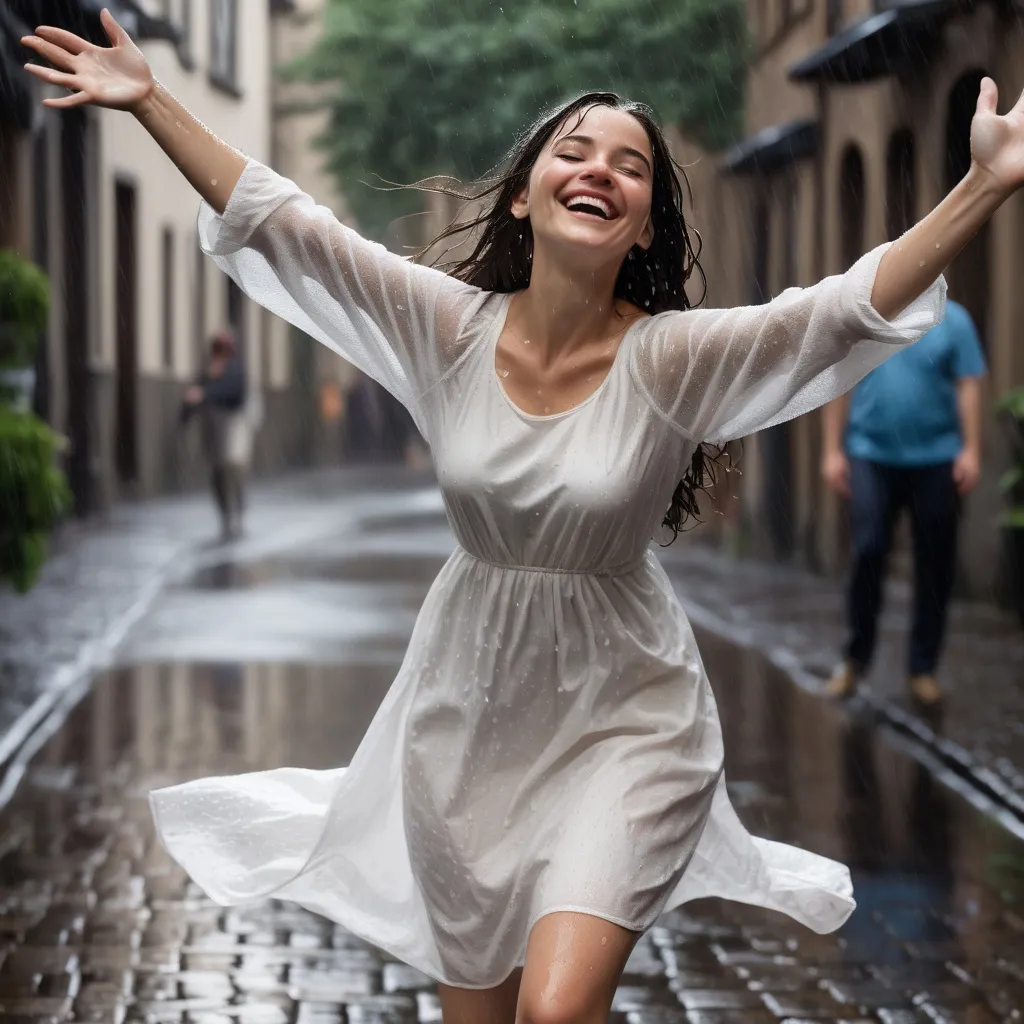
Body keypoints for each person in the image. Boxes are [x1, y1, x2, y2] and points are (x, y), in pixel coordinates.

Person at [22, 12, 1022, 1022]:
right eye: (574, 150)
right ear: (524, 192)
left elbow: (841, 310)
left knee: (555, 1008)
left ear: (641, 224)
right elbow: (292, 228)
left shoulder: (675, 357)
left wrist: (981, 185)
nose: (600, 169)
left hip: (629, 714)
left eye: (630, 166)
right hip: (467, 717)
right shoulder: (446, 328)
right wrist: (150, 99)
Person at [822, 301, 987, 705]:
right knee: (868, 549)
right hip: (870, 453)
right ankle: (856, 658)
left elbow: (968, 383)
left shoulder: (955, 319)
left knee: (936, 561)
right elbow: (838, 378)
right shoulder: (868, 312)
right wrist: (832, 451)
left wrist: (971, 450)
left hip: (936, 458)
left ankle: (922, 668)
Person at [181, 328, 255, 540]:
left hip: (233, 426)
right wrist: (187, 412)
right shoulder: (208, 371)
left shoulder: (234, 370)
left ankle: (238, 511)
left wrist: (207, 392)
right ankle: (226, 515)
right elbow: (193, 395)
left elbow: (234, 392)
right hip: (212, 427)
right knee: (218, 473)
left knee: (235, 468)